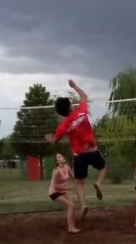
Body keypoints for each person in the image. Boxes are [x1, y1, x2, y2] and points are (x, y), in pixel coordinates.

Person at [45, 79, 107, 215]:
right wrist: (74, 86)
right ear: (70, 106)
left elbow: (54, 141)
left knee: (79, 182)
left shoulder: (63, 125)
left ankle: (83, 205)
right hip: (92, 150)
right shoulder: (81, 112)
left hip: (79, 156)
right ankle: (98, 183)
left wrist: (48, 138)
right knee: (102, 168)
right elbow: (84, 96)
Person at [48, 153, 82, 233]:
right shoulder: (56, 171)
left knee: (73, 206)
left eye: (61, 155)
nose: (62, 157)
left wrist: (80, 181)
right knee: (71, 205)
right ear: (57, 162)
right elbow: (56, 186)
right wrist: (69, 188)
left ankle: (72, 225)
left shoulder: (66, 167)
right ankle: (71, 228)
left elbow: (73, 176)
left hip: (62, 190)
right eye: (59, 157)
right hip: (54, 192)